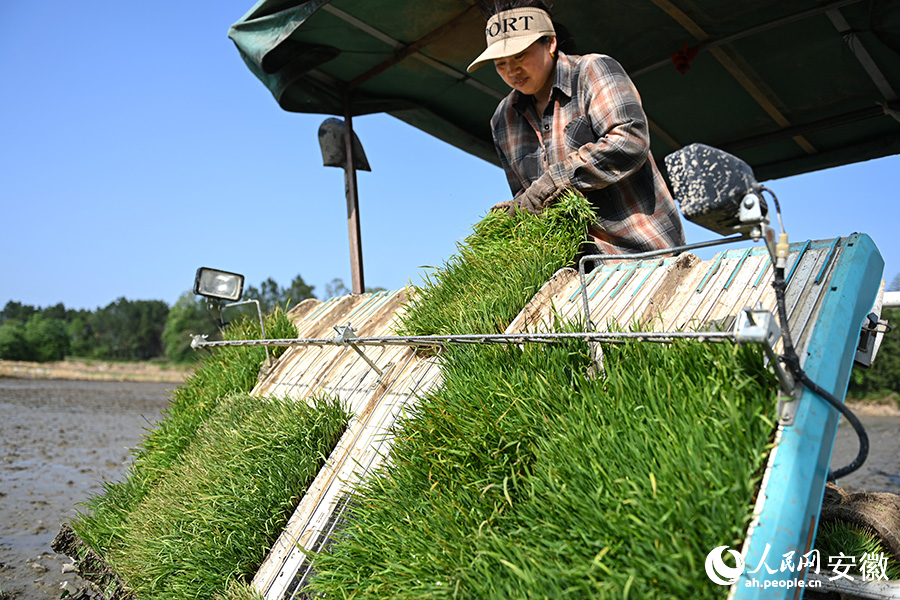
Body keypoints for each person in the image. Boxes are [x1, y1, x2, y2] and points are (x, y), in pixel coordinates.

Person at [468, 1, 685, 255]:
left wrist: (555, 181)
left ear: (550, 43)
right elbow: (529, 197)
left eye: (520, 55)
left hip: (645, 253)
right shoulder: (503, 120)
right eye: (500, 63)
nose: (512, 70)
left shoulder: (593, 71)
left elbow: (629, 140)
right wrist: (515, 214)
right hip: (578, 268)